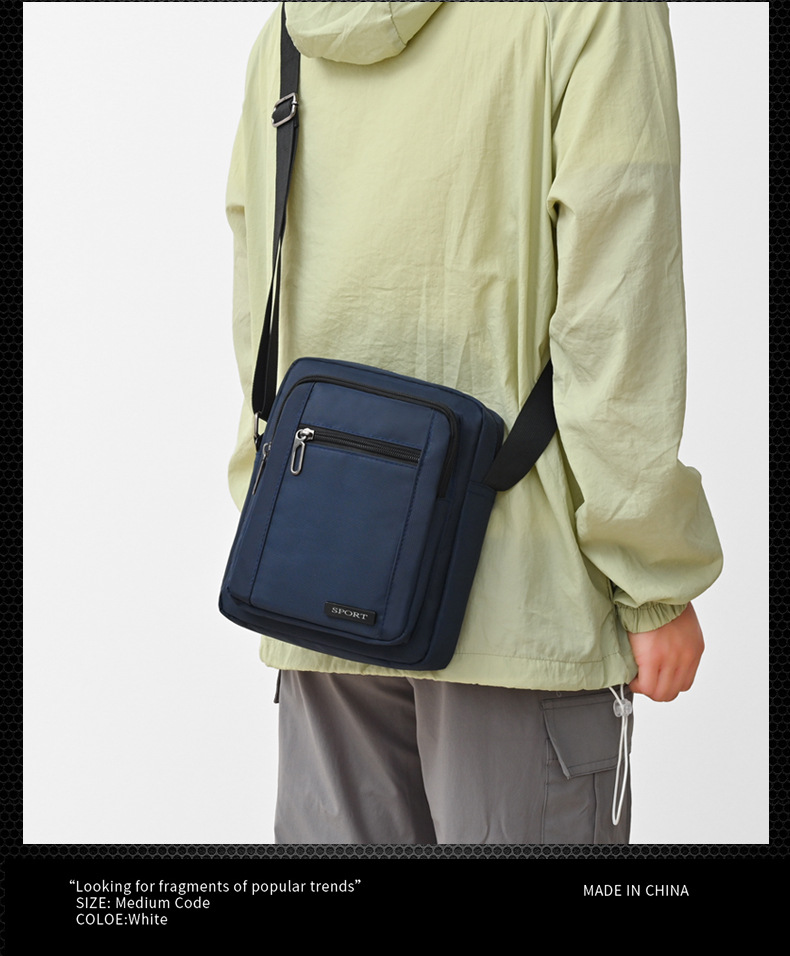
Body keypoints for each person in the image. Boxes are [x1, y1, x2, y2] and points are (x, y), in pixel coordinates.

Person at [224, 1, 723, 844]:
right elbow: (616, 314)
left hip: (320, 569)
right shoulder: (593, 11)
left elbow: (258, 298)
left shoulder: (294, 22)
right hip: (520, 593)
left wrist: (275, 516)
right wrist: (653, 583)